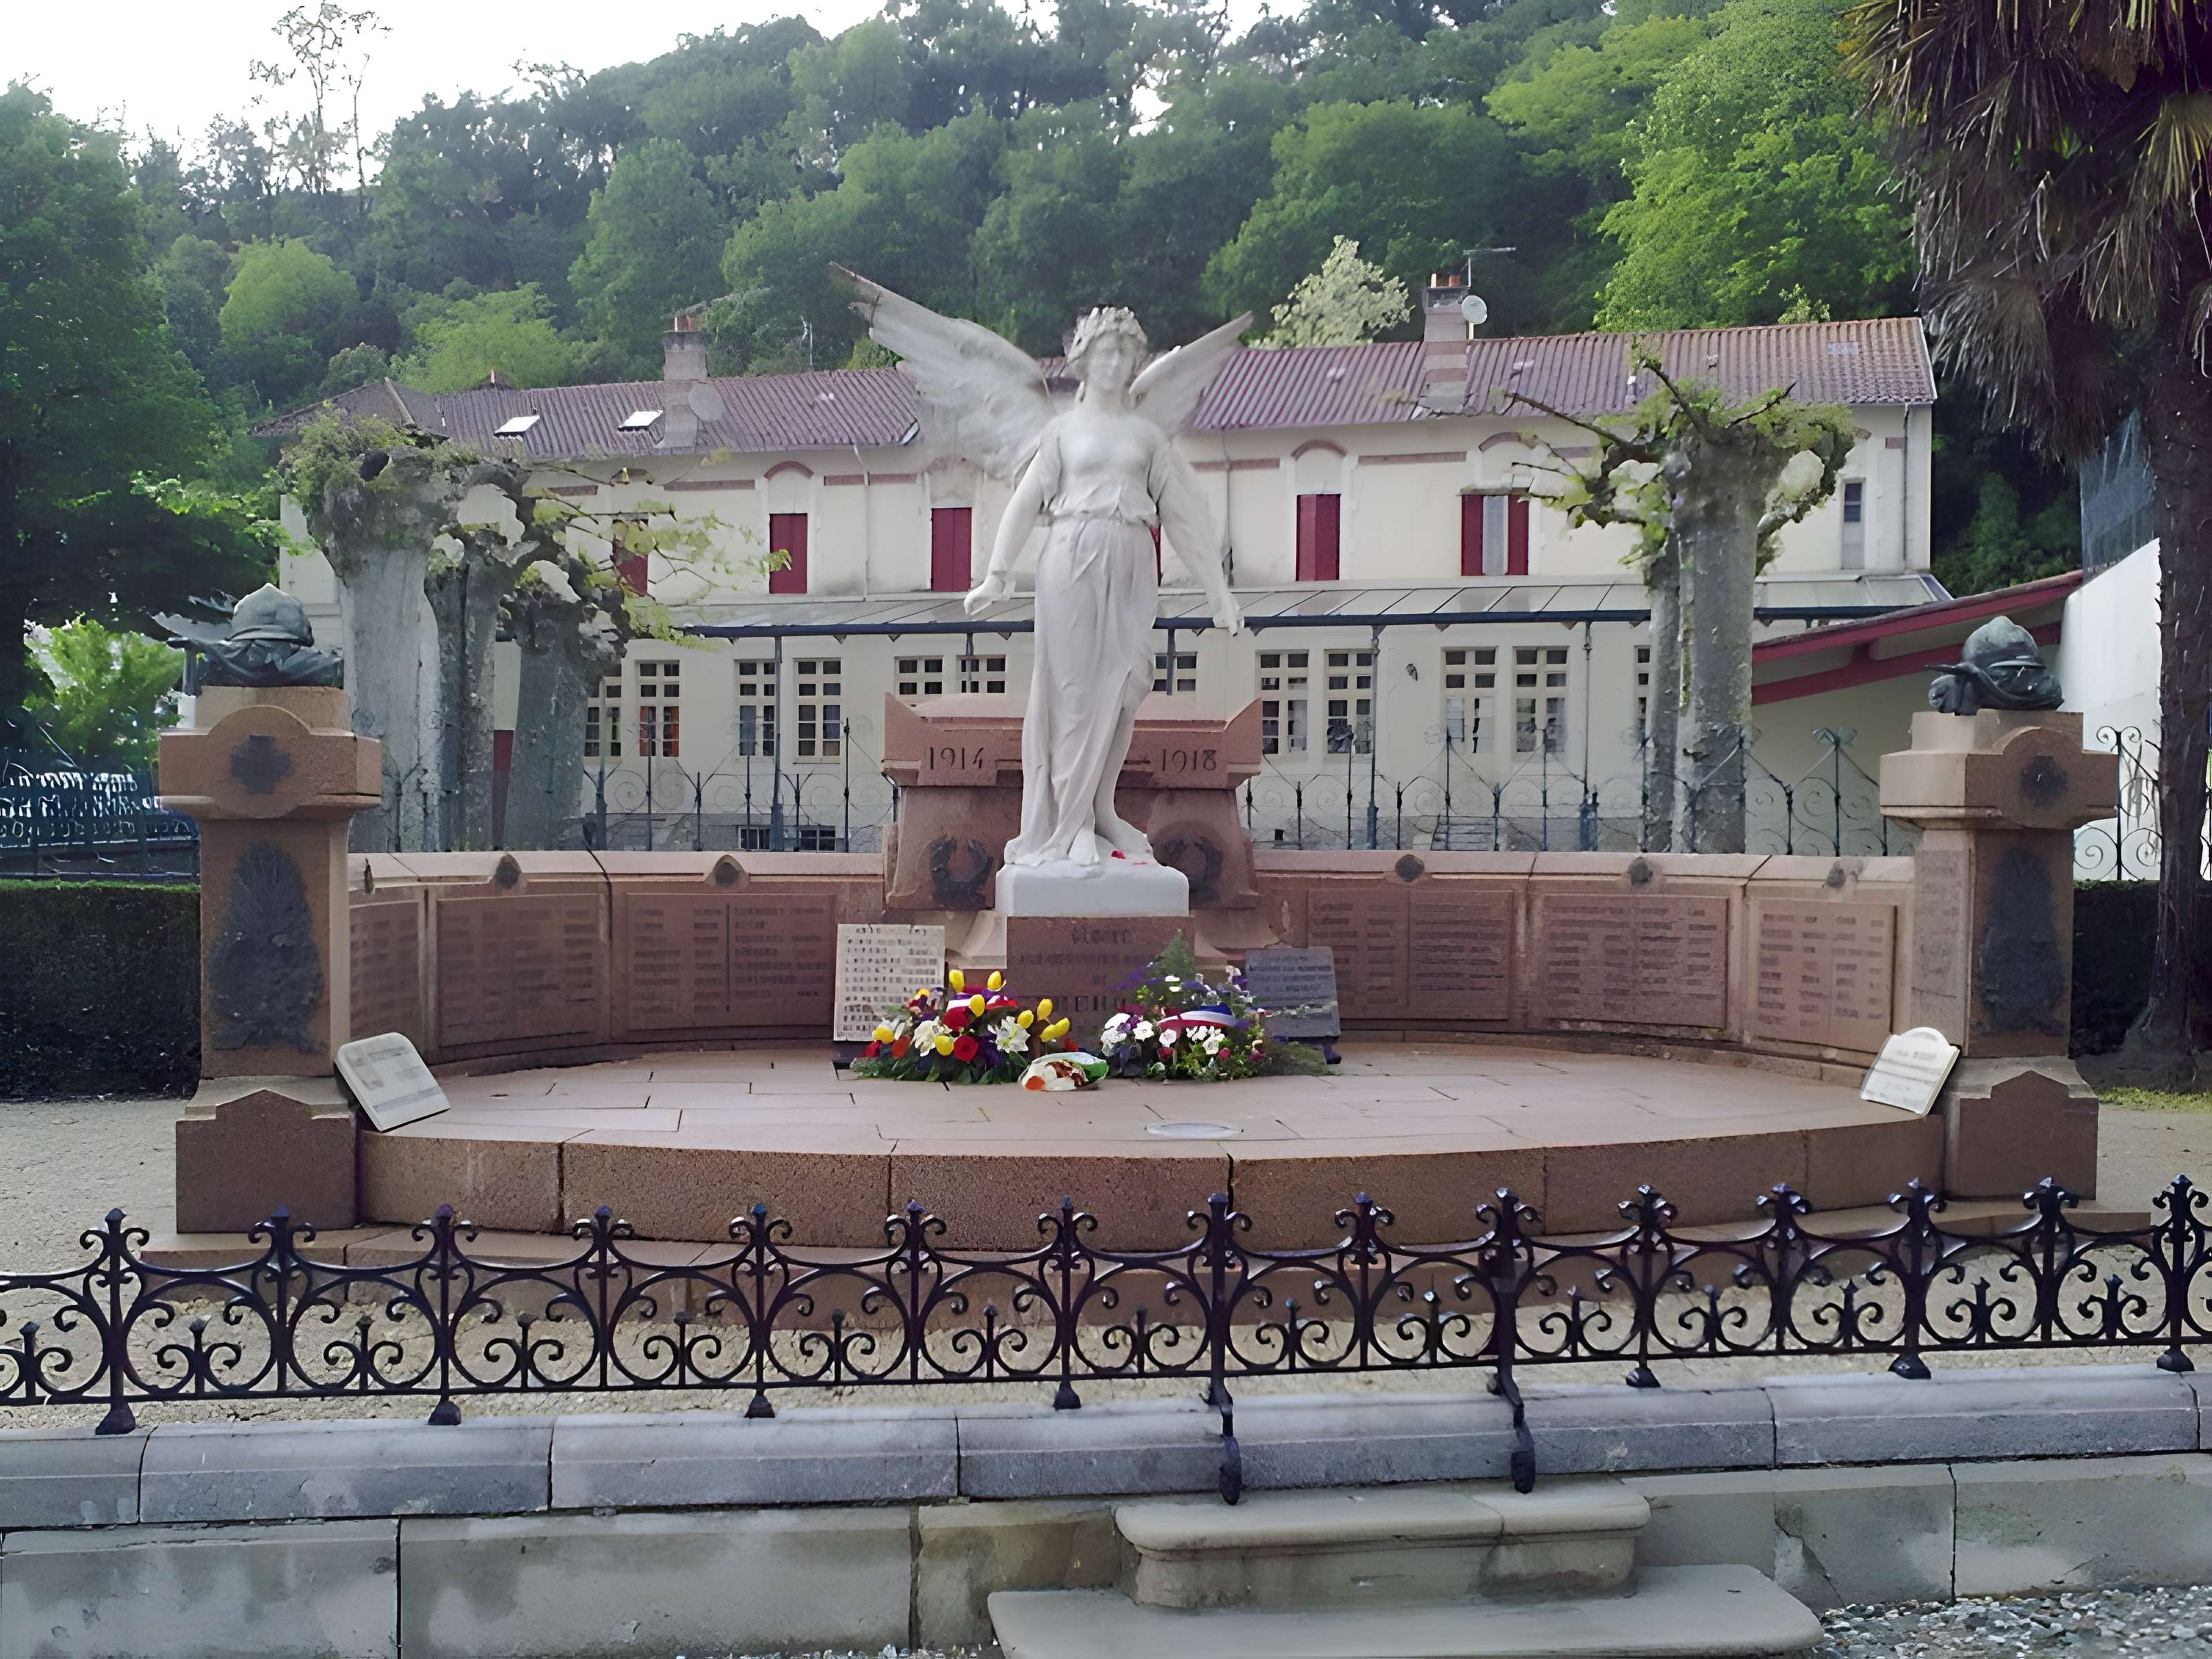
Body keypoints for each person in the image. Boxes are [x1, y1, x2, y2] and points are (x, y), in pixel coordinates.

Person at [835, 268, 1250, 875]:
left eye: (1126, 352)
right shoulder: (1059, 432)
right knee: (1075, 696)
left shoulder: (1147, 435)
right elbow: (1027, 502)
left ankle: (1100, 807)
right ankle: (1068, 825)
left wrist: (1219, 593)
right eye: (1105, 351)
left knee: (1129, 686)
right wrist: (997, 574)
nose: (1115, 362)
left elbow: (1182, 516)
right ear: (1084, 359)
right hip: (1072, 556)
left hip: (1134, 556)